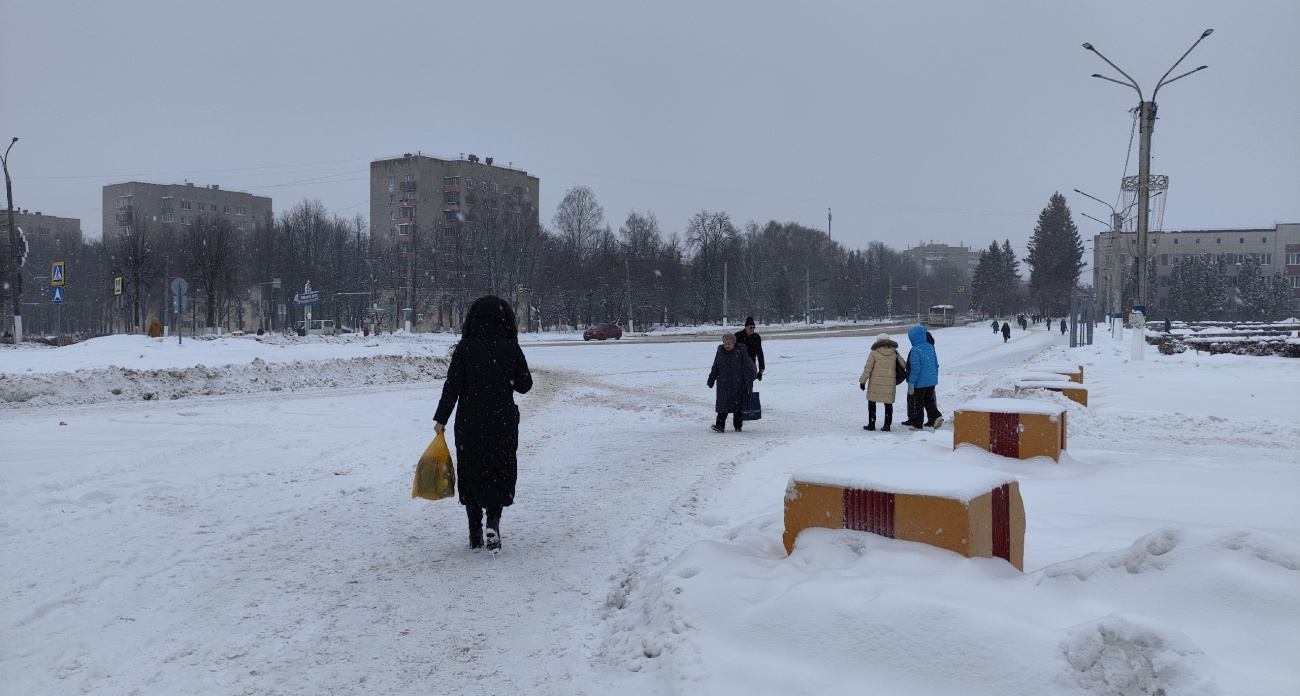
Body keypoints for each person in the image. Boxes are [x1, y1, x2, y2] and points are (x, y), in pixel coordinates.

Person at [433, 296, 533, 554]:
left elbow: (451, 387)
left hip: (470, 422)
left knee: (472, 471)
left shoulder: (465, 347)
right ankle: (494, 522)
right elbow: (525, 385)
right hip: (501, 422)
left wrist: (441, 419)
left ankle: (475, 531)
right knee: (499, 469)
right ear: (504, 320)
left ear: (473, 320)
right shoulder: (511, 347)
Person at [708, 332, 756, 433]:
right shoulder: (720, 353)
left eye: (729, 344)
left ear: (734, 343)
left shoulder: (740, 352)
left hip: (738, 384)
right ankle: (720, 425)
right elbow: (715, 367)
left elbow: (747, 368)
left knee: (738, 406)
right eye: (725, 343)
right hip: (723, 384)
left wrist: (748, 382)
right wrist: (711, 379)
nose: (727, 346)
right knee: (722, 406)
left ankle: (738, 426)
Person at [859, 333, 901, 431]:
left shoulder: (874, 352)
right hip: (889, 383)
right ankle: (887, 425)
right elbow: (903, 365)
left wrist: (863, 381)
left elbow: (868, 369)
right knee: (888, 404)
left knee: (872, 403)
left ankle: (872, 424)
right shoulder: (894, 352)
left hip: (875, 383)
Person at [904, 325, 943, 430]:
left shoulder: (915, 350)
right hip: (931, 380)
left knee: (918, 403)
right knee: (929, 401)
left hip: (920, 382)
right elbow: (935, 364)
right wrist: (934, 377)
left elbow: (915, 369)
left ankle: (917, 424)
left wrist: (911, 383)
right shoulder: (930, 347)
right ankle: (937, 416)